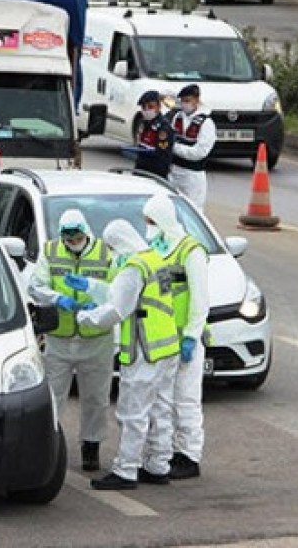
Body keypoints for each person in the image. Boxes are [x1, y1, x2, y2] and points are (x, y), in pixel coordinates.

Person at [64, 215, 177, 491]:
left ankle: (126, 470)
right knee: (160, 409)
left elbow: (117, 309)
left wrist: (84, 318)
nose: (112, 253)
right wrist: (91, 287)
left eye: (111, 247)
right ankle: (158, 465)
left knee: (133, 412)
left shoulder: (133, 268)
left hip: (143, 348)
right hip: (166, 347)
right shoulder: (155, 259)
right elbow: (122, 294)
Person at [27, 209, 115, 472]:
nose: (71, 242)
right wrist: (58, 299)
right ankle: (48, 444)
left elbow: (117, 291)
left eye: (76, 237)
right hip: (60, 336)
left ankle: (91, 446)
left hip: (96, 337)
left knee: (96, 398)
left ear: (86, 232)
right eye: (67, 238)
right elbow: (36, 286)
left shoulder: (105, 253)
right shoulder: (51, 250)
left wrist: (96, 297)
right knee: (54, 396)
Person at [139, 193, 210, 480]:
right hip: (164, 340)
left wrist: (192, 335)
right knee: (163, 401)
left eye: (151, 221)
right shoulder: (159, 249)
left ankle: (190, 455)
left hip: (186, 339)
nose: (148, 227)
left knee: (186, 399)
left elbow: (200, 300)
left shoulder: (191, 251)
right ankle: (164, 454)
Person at [167, 84, 216, 210]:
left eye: (188, 101)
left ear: (197, 100)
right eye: (182, 101)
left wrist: (174, 148)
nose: (184, 104)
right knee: (172, 208)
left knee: (193, 210)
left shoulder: (206, 123)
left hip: (193, 176)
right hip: (174, 172)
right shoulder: (178, 117)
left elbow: (199, 152)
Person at [129, 90, 174, 179]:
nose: (146, 110)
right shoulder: (145, 123)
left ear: (158, 107)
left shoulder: (163, 127)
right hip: (141, 169)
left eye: (150, 107)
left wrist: (144, 152)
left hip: (155, 172)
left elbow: (162, 153)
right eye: (144, 107)